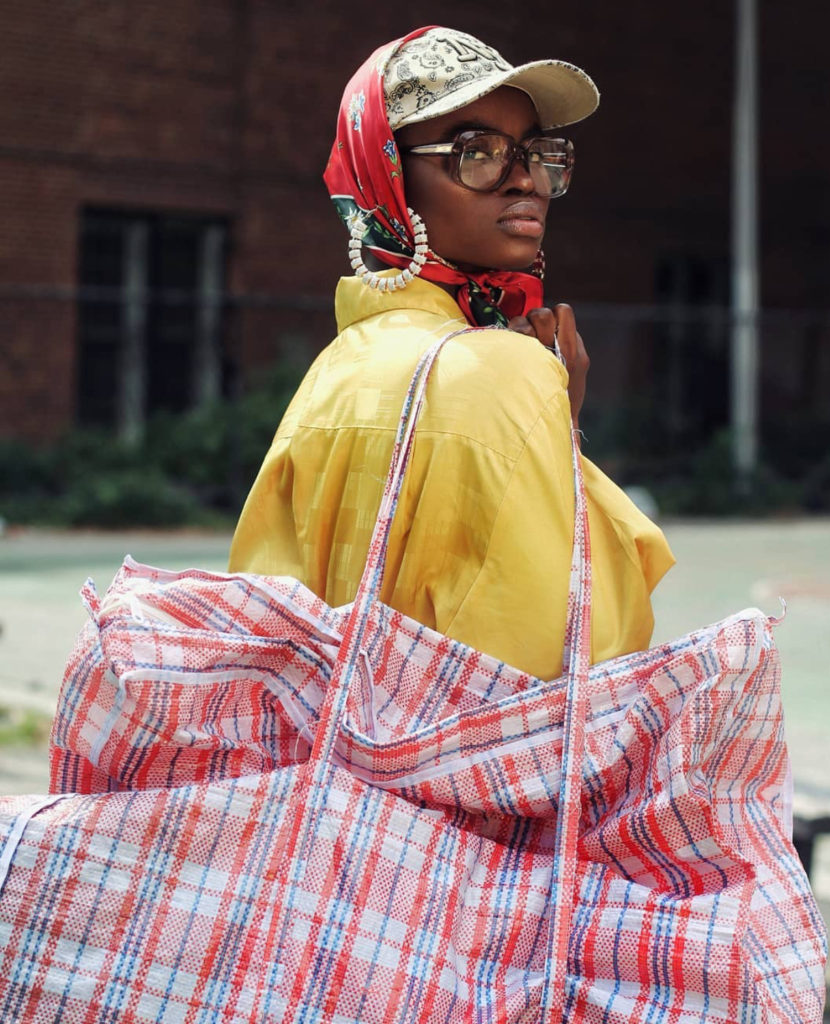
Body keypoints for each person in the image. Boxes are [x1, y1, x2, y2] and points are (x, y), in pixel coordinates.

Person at [228, 26, 674, 681]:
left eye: (539, 152)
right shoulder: (504, 372)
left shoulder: (337, 370)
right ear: (389, 176)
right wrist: (559, 423)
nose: (528, 181)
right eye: (479, 152)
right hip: (455, 781)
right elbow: (584, 647)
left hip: (337, 775)